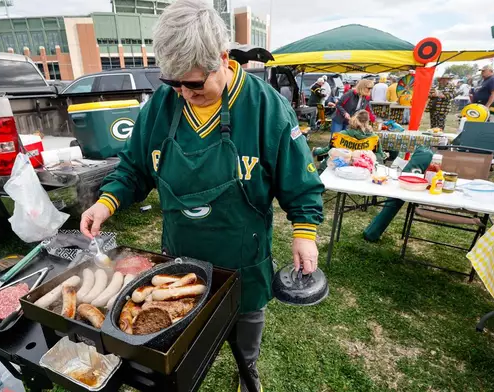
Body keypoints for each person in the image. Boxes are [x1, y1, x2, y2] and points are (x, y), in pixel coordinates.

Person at [78, 1, 325, 390]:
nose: (184, 93)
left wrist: (305, 232)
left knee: (245, 353)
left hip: (242, 263)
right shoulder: (162, 105)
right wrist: (105, 202)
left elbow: (301, 183)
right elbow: (134, 169)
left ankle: (247, 379)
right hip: (178, 265)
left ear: (223, 60)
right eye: (173, 83)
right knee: (178, 353)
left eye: (194, 84)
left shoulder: (266, 108)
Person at [314, 110, 385, 171]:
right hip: (364, 168)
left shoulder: (340, 135)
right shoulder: (374, 138)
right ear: (367, 122)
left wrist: (315, 151)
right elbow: (380, 155)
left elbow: (328, 150)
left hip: (340, 167)